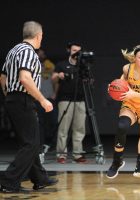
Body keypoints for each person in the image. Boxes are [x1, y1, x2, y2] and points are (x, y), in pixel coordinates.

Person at [0, 21, 58, 193]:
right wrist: (42, 99)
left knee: (29, 142)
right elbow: (25, 78)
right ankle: (8, 181)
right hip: (23, 100)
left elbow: (2, 78)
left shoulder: (13, 50)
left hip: (13, 99)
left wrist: (9, 96)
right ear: (38, 36)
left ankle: (40, 178)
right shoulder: (29, 52)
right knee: (31, 144)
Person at [106, 45, 140, 179]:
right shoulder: (127, 69)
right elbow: (120, 85)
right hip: (131, 104)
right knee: (121, 126)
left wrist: (134, 94)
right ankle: (117, 161)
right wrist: (113, 88)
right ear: (134, 58)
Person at [52, 42, 87, 164]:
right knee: (63, 128)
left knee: (80, 128)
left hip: (80, 99)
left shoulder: (83, 66)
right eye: (74, 50)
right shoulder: (61, 64)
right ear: (69, 50)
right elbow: (53, 77)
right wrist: (58, 76)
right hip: (65, 99)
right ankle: (61, 154)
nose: (76, 53)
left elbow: (89, 80)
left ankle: (77, 154)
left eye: (78, 51)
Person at [36, 49, 57, 163]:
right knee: (40, 123)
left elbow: (55, 79)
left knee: (53, 121)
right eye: (40, 53)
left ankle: (49, 143)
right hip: (39, 98)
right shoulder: (33, 64)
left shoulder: (49, 64)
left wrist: (55, 93)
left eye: (43, 53)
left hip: (49, 98)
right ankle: (41, 146)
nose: (42, 55)